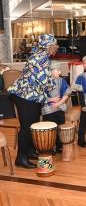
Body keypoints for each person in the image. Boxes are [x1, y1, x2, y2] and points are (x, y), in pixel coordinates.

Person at [8, 34, 58, 168]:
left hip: (32, 96)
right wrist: (53, 77)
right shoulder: (41, 58)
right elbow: (46, 83)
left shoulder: (41, 56)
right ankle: (21, 158)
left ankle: (29, 151)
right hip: (25, 96)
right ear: (49, 46)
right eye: (55, 45)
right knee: (26, 127)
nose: (57, 47)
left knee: (33, 124)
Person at [42, 61, 71, 153]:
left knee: (60, 128)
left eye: (59, 70)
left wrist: (58, 104)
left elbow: (67, 93)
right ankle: (50, 147)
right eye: (57, 70)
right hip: (48, 110)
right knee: (50, 130)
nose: (60, 72)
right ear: (50, 71)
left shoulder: (61, 80)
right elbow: (39, 97)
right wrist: (52, 100)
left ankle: (59, 146)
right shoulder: (44, 82)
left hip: (59, 108)